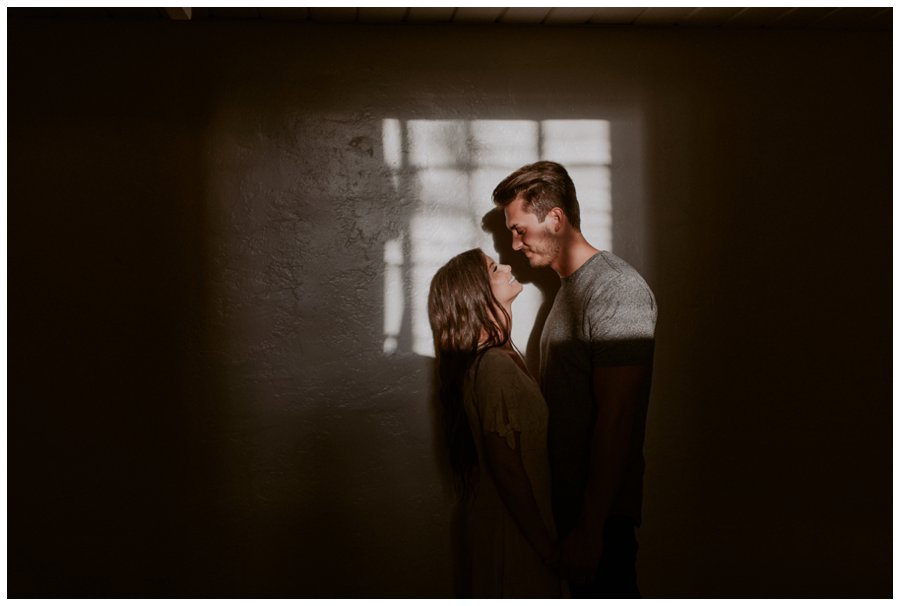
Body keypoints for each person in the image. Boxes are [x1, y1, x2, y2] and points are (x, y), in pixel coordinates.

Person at [492, 161, 657, 598]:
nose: (513, 245)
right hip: (567, 513)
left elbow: (617, 417)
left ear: (556, 218)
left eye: (520, 229)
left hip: (599, 521)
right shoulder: (570, 290)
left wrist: (589, 529)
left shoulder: (615, 289)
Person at [428, 248, 564, 598]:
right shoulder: (493, 366)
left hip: (516, 523)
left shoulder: (500, 359)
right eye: (493, 268)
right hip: (515, 530)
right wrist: (547, 548)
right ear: (477, 293)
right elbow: (507, 468)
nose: (506, 267)